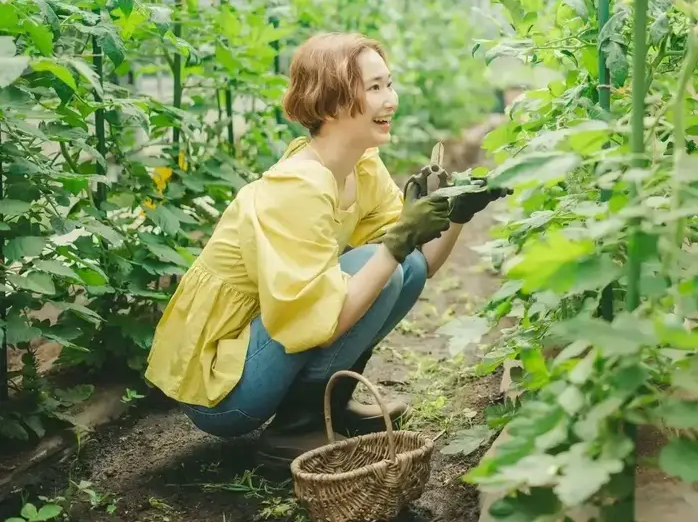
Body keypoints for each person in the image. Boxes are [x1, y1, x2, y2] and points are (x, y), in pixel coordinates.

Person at [144, 32, 509, 467]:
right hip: (222, 390)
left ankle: (330, 408)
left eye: (388, 84)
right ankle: (295, 429)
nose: (390, 99)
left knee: (401, 266)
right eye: (374, 88)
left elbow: (421, 265)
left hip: (263, 349)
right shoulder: (299, 185)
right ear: (332, 102)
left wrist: (457, 216)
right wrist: (395, 243)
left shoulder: (360, 165)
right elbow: (318, 321)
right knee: (381, 264)